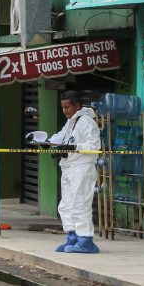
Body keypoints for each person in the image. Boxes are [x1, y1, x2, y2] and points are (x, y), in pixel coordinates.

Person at [49, 91, 101, 253]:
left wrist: (73, 147)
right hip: (68, 167)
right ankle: (72, 237)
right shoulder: (71, 122)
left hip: (82, 168)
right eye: (63, 107)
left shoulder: (86, 122)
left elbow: (94, 147)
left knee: (80, 204)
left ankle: (86, 240)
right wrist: (46, 142)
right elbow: (60, 137)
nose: (65, 110)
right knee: (66, 205)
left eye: (68, 107)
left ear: (77, 106)